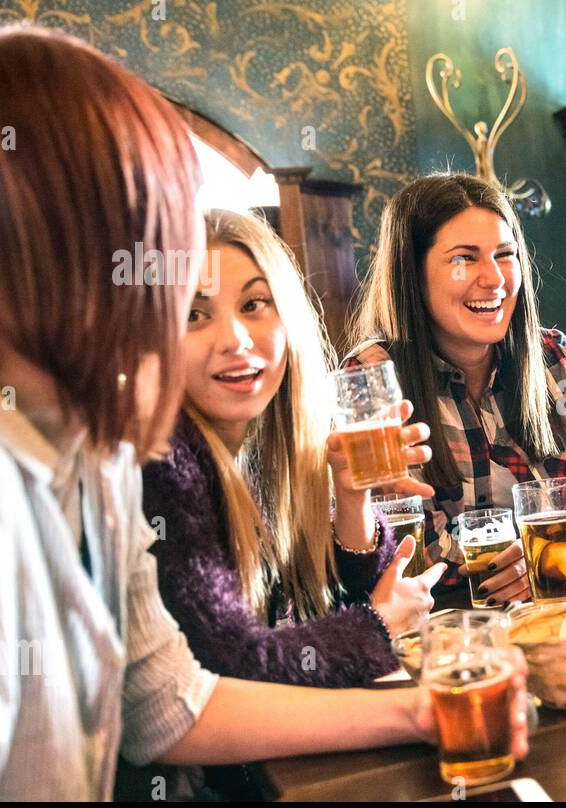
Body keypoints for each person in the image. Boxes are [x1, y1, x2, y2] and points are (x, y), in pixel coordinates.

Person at [0, 25, 527, 801]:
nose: (157, 268)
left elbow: (165, 703)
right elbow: (230, 658)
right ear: (42, 238)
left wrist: (425, 710)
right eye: (149, 231)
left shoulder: (99, 452)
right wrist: (380, 645)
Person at [142, 208, 444, 691]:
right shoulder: (165, 461)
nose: (235, 341)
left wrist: (352, 497)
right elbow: (232, 663)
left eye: (254, 304)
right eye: (194, 315)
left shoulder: (270, 436)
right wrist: (380, 624)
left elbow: (335, 597)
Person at [346, 173, 566, 603]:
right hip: (446, 641)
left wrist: (565, 551)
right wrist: (515, 565)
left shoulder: (559, 361)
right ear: (412, 274)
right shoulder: (371, 381)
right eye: (465, 258)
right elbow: (398, 552)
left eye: (504, 255)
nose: (494, 279)